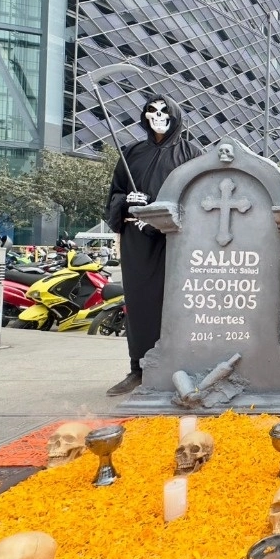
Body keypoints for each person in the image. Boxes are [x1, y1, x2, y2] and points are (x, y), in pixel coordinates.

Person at [104, 94, 201, 396]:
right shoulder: (131, 153)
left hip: (175, 239)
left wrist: (159, 212)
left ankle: (180, 369)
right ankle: (140, 368)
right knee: (140, 302)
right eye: (151, 111)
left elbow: (198, 194)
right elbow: (115, 194)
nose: (157, 116)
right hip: (137, 241)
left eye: (164, 111)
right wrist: (127, 202)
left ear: (175, 115)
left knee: (177, 303)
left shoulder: (192, 153)